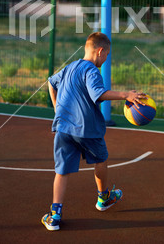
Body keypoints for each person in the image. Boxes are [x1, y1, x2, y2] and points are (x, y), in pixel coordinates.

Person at [42, 32, 147, 231]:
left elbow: (50, 82)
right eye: (107, 55)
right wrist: (126, 94)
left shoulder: (70, 67)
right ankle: (103, 198)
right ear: (100, 51)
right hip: (87, 129)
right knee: (101, 160)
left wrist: (57, 108)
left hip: (64, 128)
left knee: (61, 171)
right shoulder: (91, 71)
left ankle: (55, 215)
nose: (106, 59)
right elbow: (98, 94)